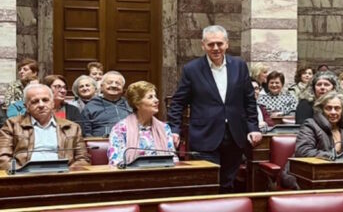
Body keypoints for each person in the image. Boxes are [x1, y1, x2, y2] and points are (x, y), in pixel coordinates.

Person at [167, 25, 261, 193]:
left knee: (227, 184)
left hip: (234, 136)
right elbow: (178, 103)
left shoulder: (239, 65)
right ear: (203, 45)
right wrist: (174, 130)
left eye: (219, 43)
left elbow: (249, 100)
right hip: (204, 136)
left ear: (227, 44)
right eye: (211, 44)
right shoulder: (192, 69)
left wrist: (253, 127)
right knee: (206, 184)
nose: (216, 48)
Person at [0, 83, 90, 171]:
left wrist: (66, 173)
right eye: (35, 101)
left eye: (45, 100)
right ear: (26, 107)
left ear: (52, 103)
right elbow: (0, 158)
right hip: (24, 178)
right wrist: (22, 173)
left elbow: (83, 159)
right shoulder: (12, 125)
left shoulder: (72, 127)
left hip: (61, 177)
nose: (41, 105)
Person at [107, 81, 177, 167]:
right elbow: (116, 161)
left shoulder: (164, 128)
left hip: (162, 172)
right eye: (150, 97)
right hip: (132, 173)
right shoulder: (120, 129)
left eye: (155, 96)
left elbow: (173, 159)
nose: (156, 100)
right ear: (137, 103)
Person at [295, 91, 343, 159]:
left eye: (337, 108)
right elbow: (303, 151)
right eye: (329, 108)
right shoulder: (310, 125)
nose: (333, 112)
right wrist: (330, 156)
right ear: (321, 110)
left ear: (342, 110)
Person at [81, 71, 132, 137]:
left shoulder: (130, 104)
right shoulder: (90, 106)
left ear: (123, 88)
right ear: (101, 87)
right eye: (109, 83)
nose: (114, 85)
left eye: (118, 83)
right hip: (101, 142)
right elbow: (86, 133)